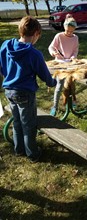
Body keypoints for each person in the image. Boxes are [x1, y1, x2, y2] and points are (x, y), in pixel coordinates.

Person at [0, 16, 57, 162]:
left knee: (17, 121)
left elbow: (1, 66)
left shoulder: (6, 45)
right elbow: (45, 75)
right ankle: (33, 154)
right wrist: (53, 83)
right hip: (25, 93)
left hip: (9, 91)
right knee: (28, 124)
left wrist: (9, 75)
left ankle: (19, 149)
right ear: (36, 33)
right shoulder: (34, 54)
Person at [48, 15, 79, 116]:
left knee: (72, 83)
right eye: (67, 31)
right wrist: (54, 53)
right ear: (64, 28)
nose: (69, 33)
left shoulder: (75, 38)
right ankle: (55, 106)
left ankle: (73, 101)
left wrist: (73, 57)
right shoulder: (59, 36)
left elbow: (75, 50)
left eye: (71, 31)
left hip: (70, 64)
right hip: (60, 64)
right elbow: (51, 47)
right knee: (59, 85)